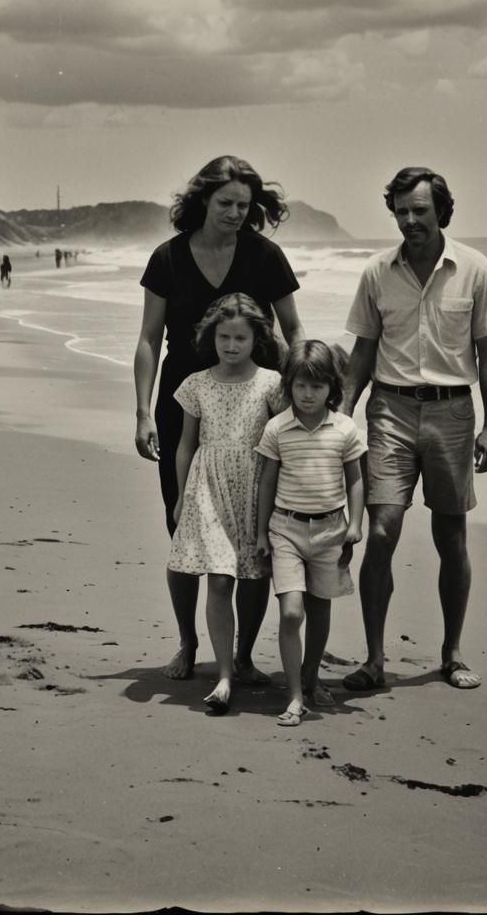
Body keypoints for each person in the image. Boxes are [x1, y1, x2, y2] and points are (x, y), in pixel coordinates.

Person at [134, 155, 306, 682]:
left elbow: (295, 333)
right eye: (226, 203)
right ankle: (187, 644)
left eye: (244, 206)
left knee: (256, 537)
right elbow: (147, 339)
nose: (235, 213)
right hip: (185, 405)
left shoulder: (265, 256)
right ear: (203, 200)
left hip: (258, 410)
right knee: (181, 527)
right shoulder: (167, 258)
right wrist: (143, 412)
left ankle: (246, 655)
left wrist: (303, 408)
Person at [339, 166, 487, 692]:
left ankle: (452, 653)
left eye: (419, 210)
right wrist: (339, 417)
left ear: (441, 211)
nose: (409, 220)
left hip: (453, 415)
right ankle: (373, 659)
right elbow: (364, 349)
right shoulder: (376, 272)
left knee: (450, 536)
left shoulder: (474, 269)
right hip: (389, 410)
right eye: (401, 210)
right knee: (382, 531)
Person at [168, 293, 286, 714]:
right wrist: (182, 496)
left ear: (257, 339)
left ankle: (245, 657)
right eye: (223, 337)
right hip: (208, 486)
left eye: (240, 337)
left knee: (253, 576)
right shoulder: (196, 384)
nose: (231, 345)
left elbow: (285, 440)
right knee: (219, 577)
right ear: (210, 336)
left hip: (255, 486)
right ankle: (222, 675)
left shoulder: (272, 383)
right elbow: (185, 445)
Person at [254, 341, 366, 727]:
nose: (307, 394)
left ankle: (311, 675)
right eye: (301, 385)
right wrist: (261, 534)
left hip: (331, 530)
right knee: (292, 611)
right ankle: (295, 695)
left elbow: (355, 479)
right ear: (289, 385)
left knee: (320, 610)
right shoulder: (277, 427)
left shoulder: (346, 428)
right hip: (285, 529)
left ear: (331, 389)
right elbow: (267, 482)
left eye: (316, 387)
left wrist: (355, 524)